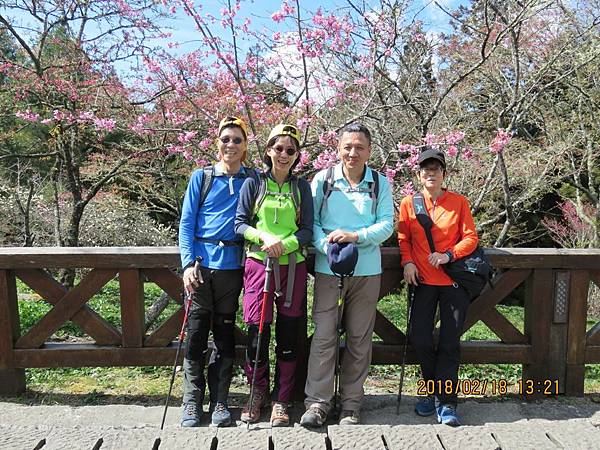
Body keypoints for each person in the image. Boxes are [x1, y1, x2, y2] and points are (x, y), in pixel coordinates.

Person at [301, 123, 394, 427]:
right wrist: (324, 245)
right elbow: (311, 222)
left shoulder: (380, 183)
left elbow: (386, 225)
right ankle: (317, 403)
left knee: (359, 339)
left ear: (369, 150)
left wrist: (356, 236)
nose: (353, 153)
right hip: (328, 271)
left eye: (360, 147)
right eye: (347, 146)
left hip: (367, 271)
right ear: (338, 148)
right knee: (324, 337)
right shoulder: (322, 180)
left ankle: (351, 404)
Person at [178, 116, 256, 427]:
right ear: (217, 142)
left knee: (224, 334)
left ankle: (220, 401)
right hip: (200, 267)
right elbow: (186, 223)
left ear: (245, 145)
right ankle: (191, 402)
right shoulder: (202, 177)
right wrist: (186, 263)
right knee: (196, 334)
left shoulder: (253, 180)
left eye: (237, 140)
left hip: (233, 267)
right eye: (226, 139)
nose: (231, 145)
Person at [235, 123, 313, 426]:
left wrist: (287, 243)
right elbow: (239, 223)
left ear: (297, 156)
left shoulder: (301, 187)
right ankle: (257, 392)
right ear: (268, 150)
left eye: (290, 150)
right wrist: (264, 238)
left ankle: (282, 398)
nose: (284, 154)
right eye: (278, 148)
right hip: (259, 264)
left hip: (292, 267)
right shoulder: (254, 183)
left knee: (289, 333)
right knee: (257, 331)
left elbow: (307, 229)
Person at [397, 148, 478, 427]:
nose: (431, 173)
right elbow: (403, 237)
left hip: (453, 283)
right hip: (422, 282)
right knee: (420, 338)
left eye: (436, 169)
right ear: (418, 174)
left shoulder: (459, 202)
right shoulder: (410, 203)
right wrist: (407, 262)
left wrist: (449, 255)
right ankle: (432, 391)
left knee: (449, 343)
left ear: (444, 173)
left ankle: (447, 401)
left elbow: (470, 238)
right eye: (425, 169)